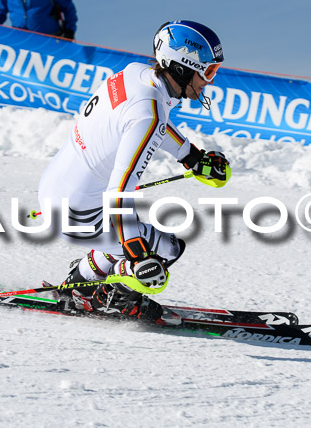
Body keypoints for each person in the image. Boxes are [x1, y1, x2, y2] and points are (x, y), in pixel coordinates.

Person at [37, 20, 229, 324]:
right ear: (181, 67)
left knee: (124, 237)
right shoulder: (149, 114)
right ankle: (114, 302)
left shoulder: (135, 74)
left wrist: (192, 157)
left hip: (55, 190)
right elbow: (119, 191)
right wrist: (138, 254)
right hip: (80, 214)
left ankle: (79, 286)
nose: (210, 81)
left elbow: (148, 121)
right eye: (207, 71)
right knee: (167, 249)